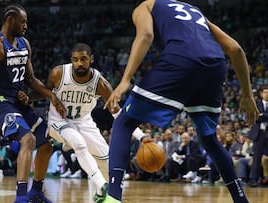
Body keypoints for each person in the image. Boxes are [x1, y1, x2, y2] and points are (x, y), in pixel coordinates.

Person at [103, 0, 259, 203]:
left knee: (124, 121)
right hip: (215, 64)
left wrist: (125, 80)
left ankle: (113, 198)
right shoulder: (194, 11)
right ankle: (241, 200)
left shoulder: (147, 6)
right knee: (209, 139)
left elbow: (146, 35)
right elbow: (236, 49)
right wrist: (247, 96)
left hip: (181, 59)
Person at [0, 4, 66, 203]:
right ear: (10, 20)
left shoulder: (24, 43)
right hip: (1, 103)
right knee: (28, 140)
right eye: (23, 21)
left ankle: (35, 191)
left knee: (46, 143)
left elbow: (31, 79)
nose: (26, 26)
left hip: (20, 104)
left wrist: (51, 96)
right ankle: (20, 197)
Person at [45, 43, 116, 203]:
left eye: (83, 59)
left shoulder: (100, 82)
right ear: (71, 60)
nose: (79, 63)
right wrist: (51, 99)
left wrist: (139, 135)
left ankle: (103, 193)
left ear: (91, 59)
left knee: (106, 159)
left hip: (84, 122)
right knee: (79, 143)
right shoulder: (59, 73)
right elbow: (45, 90)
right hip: (59, 121)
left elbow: (116, 110)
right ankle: (100, 183)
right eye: (75, 60)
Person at [247, 86, 268, 187]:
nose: (267, 94)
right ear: (261, 94)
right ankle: (253, 179)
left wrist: (262, 115)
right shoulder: (256, 104)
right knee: (256, 158)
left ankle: (264, 178)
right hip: (259, 134)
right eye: (265, 92)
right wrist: (264, 116)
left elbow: (260, 116)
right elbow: (254, 117)